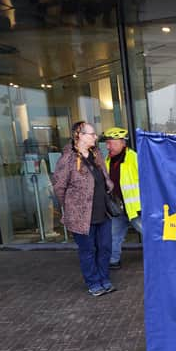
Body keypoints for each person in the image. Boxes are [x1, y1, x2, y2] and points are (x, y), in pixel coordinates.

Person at [53, 121, 115, 296]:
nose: (95, 137)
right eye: (92, 134)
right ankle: (93, 282)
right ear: (79, 136)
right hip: (81, 215)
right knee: (88, 251)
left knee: (105, 248)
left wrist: (109, 184)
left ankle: (104, 279)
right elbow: (59, 186)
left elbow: (103, 176)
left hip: (103, 211)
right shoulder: (68, 159)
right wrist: (71, 206)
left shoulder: (97, 154)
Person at [102, 127, 142, 270]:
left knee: (150, 236)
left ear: (122, 143)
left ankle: (162, 259)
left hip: (136, 209)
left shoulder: (134, 158)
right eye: (107, 143)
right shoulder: (108, 160)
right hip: (117, 208)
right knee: (114, 235)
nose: (108, 146)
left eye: (111, 143)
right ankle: (113, 260)